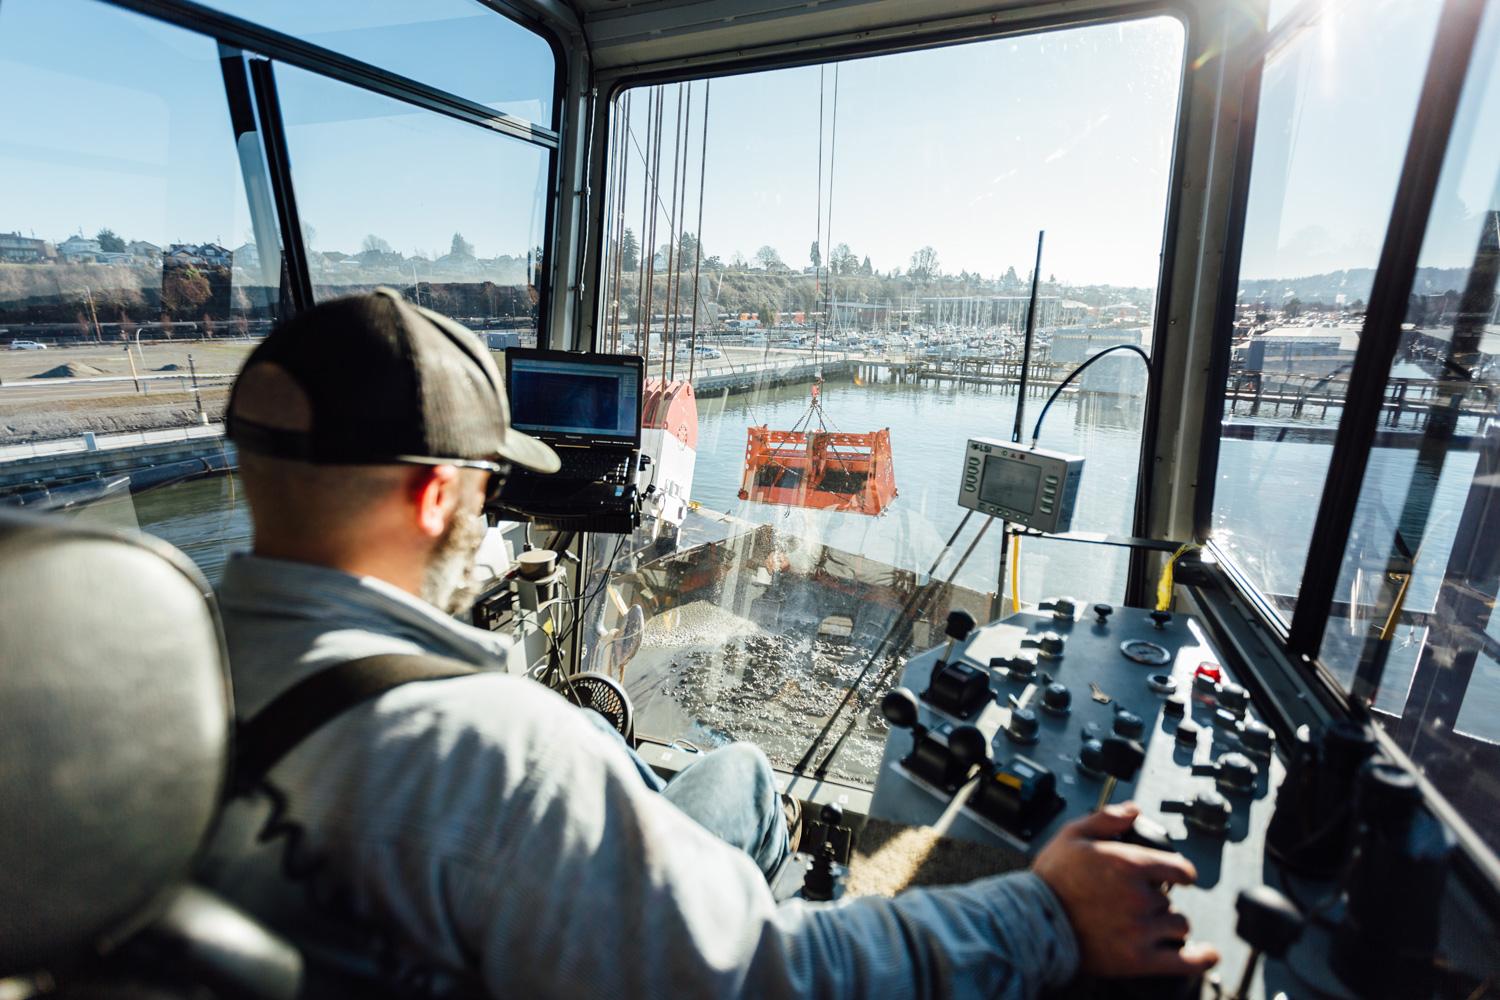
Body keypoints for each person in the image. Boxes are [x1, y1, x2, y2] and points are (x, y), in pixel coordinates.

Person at [207, 288, 1219, 998]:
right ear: (436, 495)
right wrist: (1045, 916)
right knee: (716, 780)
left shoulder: (170, 676)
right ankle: (769, 899)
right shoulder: (494, 752)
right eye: (487, 486)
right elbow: (769, 982)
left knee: (728, 766)